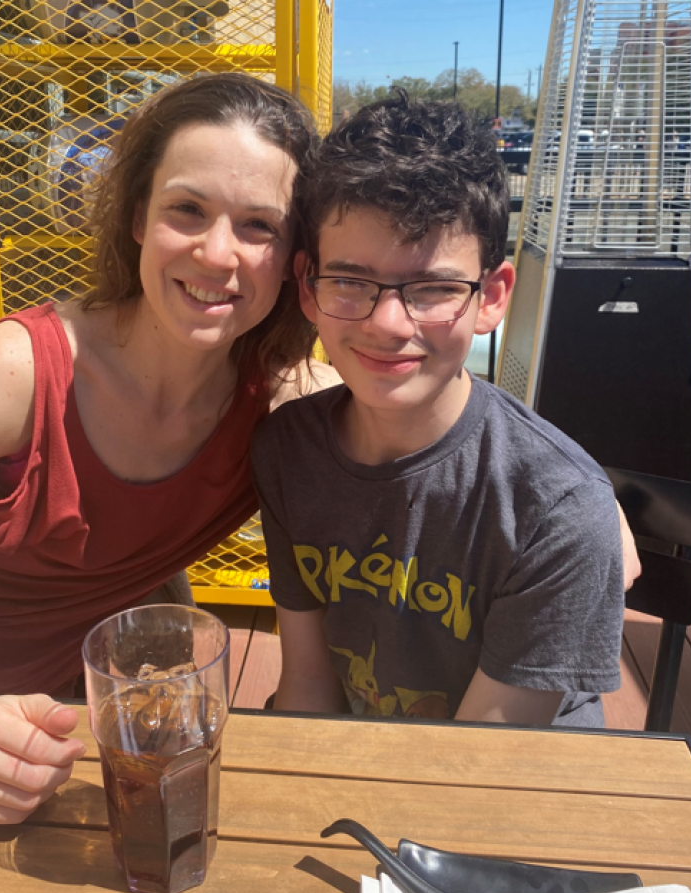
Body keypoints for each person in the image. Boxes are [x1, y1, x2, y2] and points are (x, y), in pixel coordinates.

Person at [0, 73, 337, 826]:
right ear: (138, 217)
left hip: (44, 736)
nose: (216, 252)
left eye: (260, 226)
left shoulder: (285, 409)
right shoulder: (21, 370)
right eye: (187, 210)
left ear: (295, 255)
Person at [252, 91, 630, 728]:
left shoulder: (557, 510)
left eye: (433, 288)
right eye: (350, 281)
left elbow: (478, 761)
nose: (389, 323)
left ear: (492, 296)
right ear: (307, 288)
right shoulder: (286, 451)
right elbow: (308, 686)